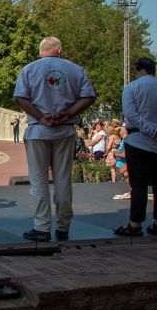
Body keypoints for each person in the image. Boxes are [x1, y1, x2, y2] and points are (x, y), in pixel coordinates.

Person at [14, 36, 96, 242]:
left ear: (41, 52)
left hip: (38, 129)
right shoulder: (75, 69)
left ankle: (41, 227)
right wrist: (66, 115)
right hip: (65, 129)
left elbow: (20, 98)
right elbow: (88, 96)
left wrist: (41, 116)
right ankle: (63, 227)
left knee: (39, 180)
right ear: (59, 50)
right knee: (63, 180)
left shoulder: (30, 69)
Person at [113, 58, 157, 237]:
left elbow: (131, 114)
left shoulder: (132, 87)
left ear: (137, 70)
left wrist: (152, 131)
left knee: (138, 185)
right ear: (154, 71)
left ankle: (135, 223)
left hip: (139, 141)